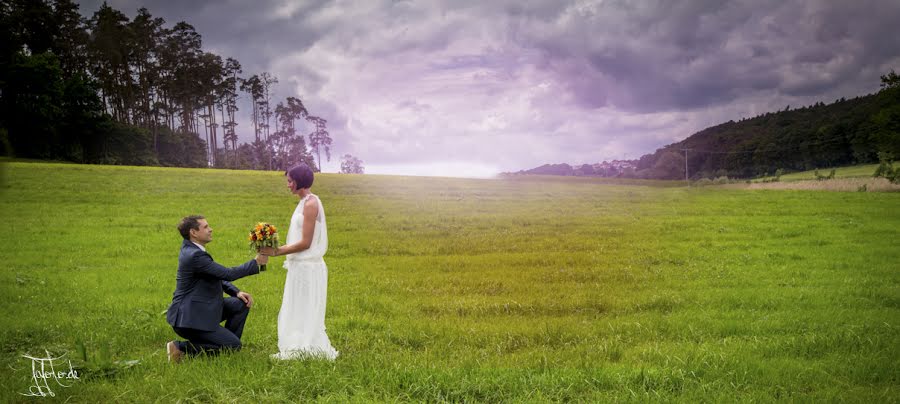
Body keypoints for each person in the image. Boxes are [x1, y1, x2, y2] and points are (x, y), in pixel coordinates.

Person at [260, 163, 339, 360]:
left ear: (299, 181)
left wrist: (275, 252)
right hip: (299, 265)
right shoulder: (303, 202)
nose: (287, 185)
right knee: (296, 307)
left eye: (290, 181)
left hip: (308, 267)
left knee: (305, 307)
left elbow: (305, 242)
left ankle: (307, 346)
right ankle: (296, 344)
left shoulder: (311, 204)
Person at [165, 215, 267, 363]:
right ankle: (180, 348)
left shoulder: (192, 249)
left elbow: (215, 276)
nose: (210, 229)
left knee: (240, 303)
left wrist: (236, 292)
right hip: (189, 319)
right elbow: (227, 273)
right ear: (193, 232)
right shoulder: (195, 255)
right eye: (206, 227)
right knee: (233, 345)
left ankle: (226, 346)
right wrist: (256, 262)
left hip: (200, 310)